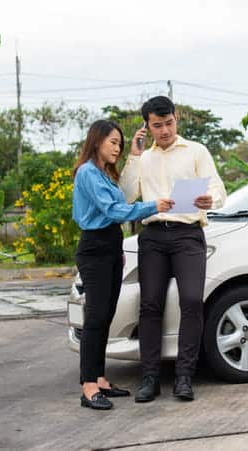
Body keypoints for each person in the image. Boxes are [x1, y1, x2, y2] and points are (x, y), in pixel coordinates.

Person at [120, 96, 226, 402]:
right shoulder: (143, 158)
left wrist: (211, 200)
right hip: (152, 236)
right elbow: (127, 197)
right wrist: (134, 156)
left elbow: (218, 190)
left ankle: (184, 377)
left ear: (176, 118)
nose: (164, 130)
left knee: (192, 301)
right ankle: (150, 377)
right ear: (147, 125)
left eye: (169, 123)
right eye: (157, 125)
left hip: (188, 234)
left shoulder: (196, 151)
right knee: (150, 305)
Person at [72, 120, 174, 410]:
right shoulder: (88, 173)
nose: (116, 147)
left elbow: (126, 194)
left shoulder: (105, 175)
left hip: (111, 248)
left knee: (105, 316)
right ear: (96, 141)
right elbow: (115, 210)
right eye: (112, 142)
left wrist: (134, 153)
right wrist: (154, 206)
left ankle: (99, 378)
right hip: (94, 249)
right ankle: (88, 386)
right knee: (95, 317)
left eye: (119, 143)